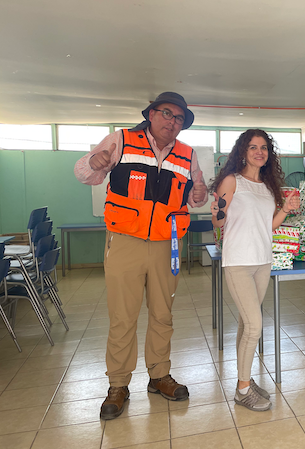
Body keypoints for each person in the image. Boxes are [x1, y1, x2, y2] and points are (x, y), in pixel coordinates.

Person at [75, 92, 208, 420]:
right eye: (167, 113)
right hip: (125, 241)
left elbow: (196, 197)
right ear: (151, 114)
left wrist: (199, 194)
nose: (172, 122)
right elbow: (84, 172)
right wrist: (93, 164)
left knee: (163, 313)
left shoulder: (187, 155)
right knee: (123, 316)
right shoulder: (122, 140)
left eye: (178, 118)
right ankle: (118, 385)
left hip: (167, 244)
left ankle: (159, 375)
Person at [210, 129, 300, 411]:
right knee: (255, 325)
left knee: (246, 324)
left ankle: (244, 380)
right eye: (253, 147)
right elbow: (219, 222)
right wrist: (217, 212)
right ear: (242, 152)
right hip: (238, 261)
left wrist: (285, 208)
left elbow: (268, 226)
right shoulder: (231, 180)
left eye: (263, 147)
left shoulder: (266, 185)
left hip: (263, 261)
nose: (259, 152)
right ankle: (242, 390)